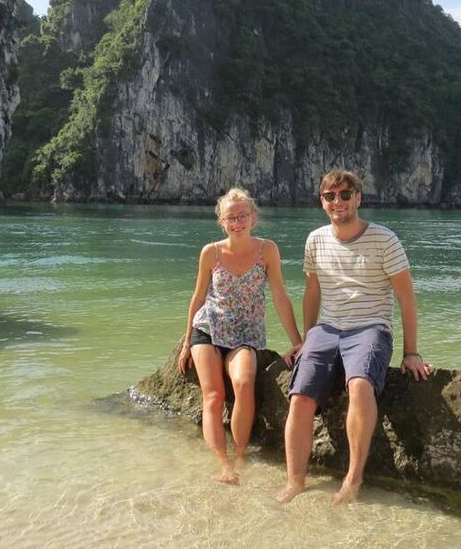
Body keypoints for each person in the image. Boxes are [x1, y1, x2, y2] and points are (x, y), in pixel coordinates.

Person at [277, 169, 431, 505]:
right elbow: (313, 291)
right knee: (300, 396)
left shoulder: (385, 240)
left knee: (360, 385)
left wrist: (411, 352)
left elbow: (406, 297)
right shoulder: (315, 240)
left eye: (346, 195)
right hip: (327, 329)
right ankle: (295, 480)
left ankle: (353, 479)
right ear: (322, 202)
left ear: (358, 198)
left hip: (371, 328)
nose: (338, 202)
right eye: (330, 196)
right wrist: (306, 338)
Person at [178, 187, 303, 484]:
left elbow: (280, 297)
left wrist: (298, 342)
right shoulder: (211, 252)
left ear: (253, 217)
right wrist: (186, 341)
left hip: (245, 333)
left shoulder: (267, 250)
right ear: (222, 222)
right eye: (230, 218)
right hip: (208, 329)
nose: (237, 223)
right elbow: (198, 297)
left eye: (242, 216)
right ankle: (224, 464)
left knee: (244, 384)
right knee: (214, 396)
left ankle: (240, 454)